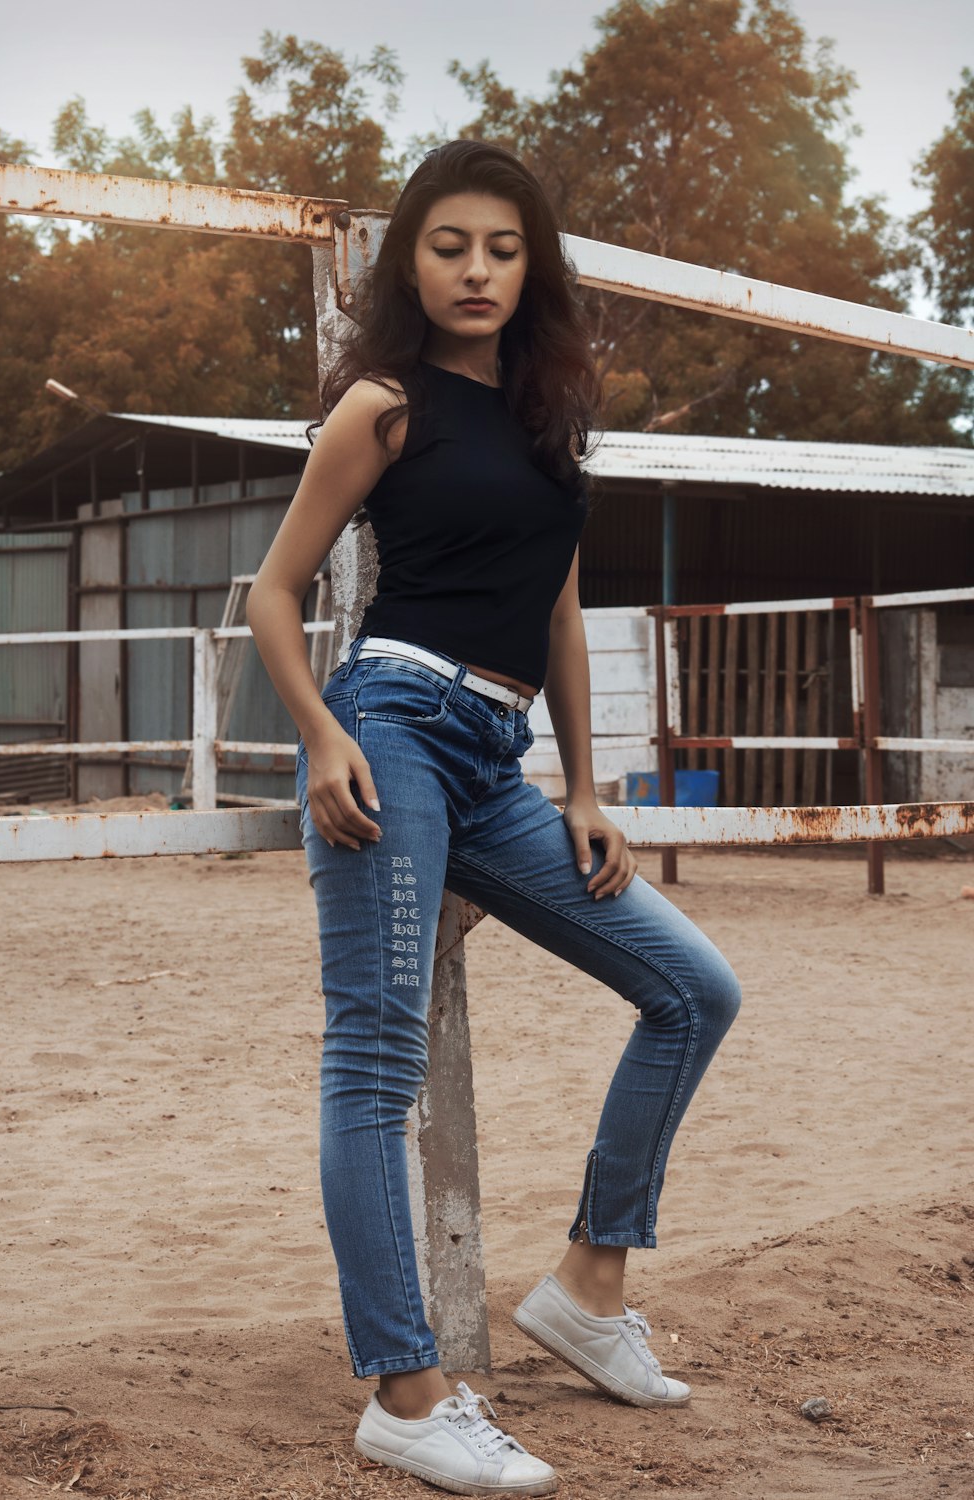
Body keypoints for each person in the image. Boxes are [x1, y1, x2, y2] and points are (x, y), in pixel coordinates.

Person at [246, 138, 741, 1498]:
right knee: (375, 1054)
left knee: (695, 988)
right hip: (390, 731)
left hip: (497, 761)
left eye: (503, 248)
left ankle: (587, 1288)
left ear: (535, 267)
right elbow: (275, 593)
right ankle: (407, 1392)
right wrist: (326, 734)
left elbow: (560, 608)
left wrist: (584, 783)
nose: (476, 269)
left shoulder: (545, 421)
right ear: (411, 260)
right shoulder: (382, 409)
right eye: (450, 244)